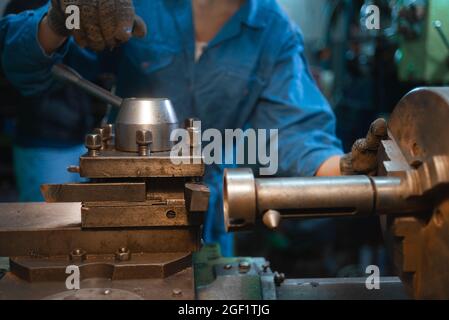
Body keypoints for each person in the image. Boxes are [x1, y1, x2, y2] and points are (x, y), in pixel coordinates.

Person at [0, 0, 385, 256]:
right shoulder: (140, 5)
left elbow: (299, 138)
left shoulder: (273, 32)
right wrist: (59, 21)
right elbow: (22, 66)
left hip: (209, 217)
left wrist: (348, 171)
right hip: (118, 201)